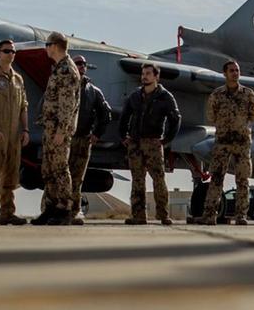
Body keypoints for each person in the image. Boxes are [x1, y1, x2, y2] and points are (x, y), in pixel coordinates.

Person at [119, 63, 181, 225]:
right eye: (143, 73)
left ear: (156, 76)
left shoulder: (165, 97)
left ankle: (163, 215)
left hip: (153, 143)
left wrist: (166, 140)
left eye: (148, 73)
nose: (144, 76)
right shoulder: (135, 96)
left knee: (158, 179)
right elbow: (125, 116)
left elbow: (175, 119)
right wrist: (123, 136)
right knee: (137, 180)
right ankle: (138, 216)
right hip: (135, 143)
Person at [31, 31, 81, 226]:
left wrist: (61, 130)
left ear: (54, 46)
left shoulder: (67, 70)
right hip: (50, 129)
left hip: (59, 131)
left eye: (47, 45)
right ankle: (50, 208)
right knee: (48, 169)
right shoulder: (58, 68)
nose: (45, 48)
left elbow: (67, 104)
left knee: (60, 169)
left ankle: (64, 209)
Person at [201, 60, 254, 225]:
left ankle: (241, 216)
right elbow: (211, 116)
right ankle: (209, 215)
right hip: (222, 142)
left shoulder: (249, 95)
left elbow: (253, 117)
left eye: (237, 70)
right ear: (225, 73)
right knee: (216, 178)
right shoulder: (217, 95)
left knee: (242, 180)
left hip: (242, 142)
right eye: (232, 70)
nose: (235, 73)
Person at [0, 39, 30, 225]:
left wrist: (25, 129)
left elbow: (23, 107)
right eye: (6, 51)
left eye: (13, 52)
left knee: (11, 176)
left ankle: (7, 213)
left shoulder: (18, 79)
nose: (10, 54)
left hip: (13, 136)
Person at [67, 54, 111, 224]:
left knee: (77, 178)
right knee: (59, 175)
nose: (81, 66)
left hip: (83, 140)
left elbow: (105, 114)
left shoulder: (93, 91)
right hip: (65, 140)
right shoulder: (63, 86)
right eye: (78, 63)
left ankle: (74, 211)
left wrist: (97, 134)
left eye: (84, 64)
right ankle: (52, 209)